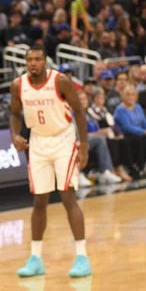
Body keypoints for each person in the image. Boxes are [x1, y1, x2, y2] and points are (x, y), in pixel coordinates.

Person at [10, 46, 92, 278]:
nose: (33, 63)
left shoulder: (61, 81)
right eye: (29, 59)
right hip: (37, 142)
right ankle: (35, 258)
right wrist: (15, 135)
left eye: (37, 59)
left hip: (63, 139)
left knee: (68, 196)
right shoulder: (18, 85)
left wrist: (83, 145)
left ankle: (82, 256)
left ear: (46, 61)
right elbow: (15, 114)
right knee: (39, 201)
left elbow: (79, 112)